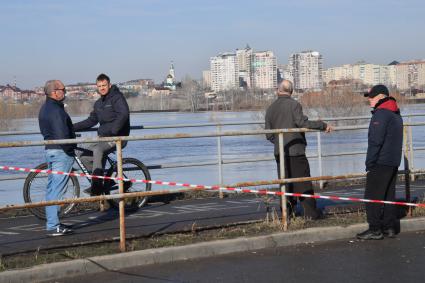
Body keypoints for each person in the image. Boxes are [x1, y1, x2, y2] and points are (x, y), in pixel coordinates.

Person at [265, 80, 332, 219]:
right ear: (291, 91)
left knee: (285, 183)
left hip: (280, 152)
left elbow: (269, 134)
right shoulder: (294, 105)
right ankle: (311, 214)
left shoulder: (270, 108)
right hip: (296, 151)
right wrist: (322, 125)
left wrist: (279, 143)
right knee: (303, 182)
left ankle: (287, 214)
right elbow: (302, 123)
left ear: (278, 90)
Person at [356, 84, 403, 240]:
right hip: (393, 160)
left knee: (372, 196)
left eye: (372, 97)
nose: (369, 100)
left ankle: (375, 229)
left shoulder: (381, 114)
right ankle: (389, 227)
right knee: (389, 195)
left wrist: (369, 164)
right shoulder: (395, 112)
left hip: (380, 162)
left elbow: (375, 142)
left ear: (381, 97)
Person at [73, 74, 130, 196]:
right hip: (103, 138)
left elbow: (124, 114)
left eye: (104, 85)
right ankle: (99, 178)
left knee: (98, 149)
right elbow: (91, 121)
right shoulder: (98, 103)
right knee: (81, 152)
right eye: (99, 86)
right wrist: (71, 127)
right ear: (97, 87)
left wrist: (114, 130)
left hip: (118, 137)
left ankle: (96, 185)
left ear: (109, 85)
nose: (102, 88)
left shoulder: (117, 98)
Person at [38, 80, 75, 236]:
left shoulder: (44, 108)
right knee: (58, 190)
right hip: (61, 153)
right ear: (54, 92)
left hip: (50, 151)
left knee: (52, 188)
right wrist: (70, 150)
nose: (65, 92)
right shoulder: (56, 110)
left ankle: (53, 222)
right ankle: (53, 226)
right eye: (63, 89)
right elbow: (62, 135)